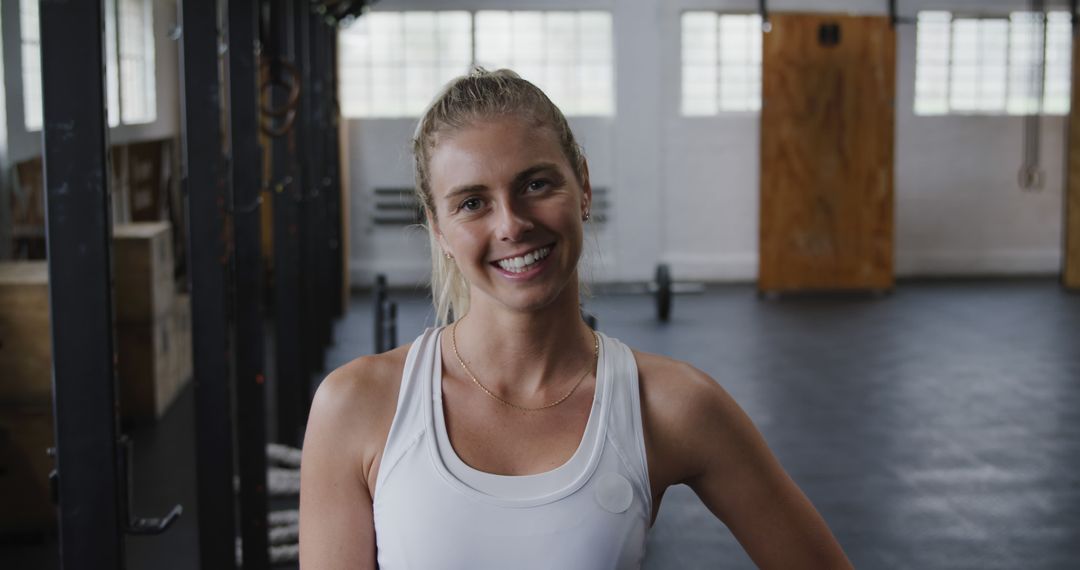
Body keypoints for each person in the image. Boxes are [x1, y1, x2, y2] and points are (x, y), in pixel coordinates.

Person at [299, 68, 852, 569]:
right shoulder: (357, 406)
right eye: (472, 202)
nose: (512, 224)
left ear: (581, 186)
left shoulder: (670, 405)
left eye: (536, 184)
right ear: (438, 229)